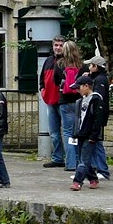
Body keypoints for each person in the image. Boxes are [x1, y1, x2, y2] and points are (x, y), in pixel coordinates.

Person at [71, 74, 105, 191]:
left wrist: (94, 135)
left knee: (83, 160)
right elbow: (78, 118)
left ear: (86, 86)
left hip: (90, 134)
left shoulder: (96, 99)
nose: (77, 90)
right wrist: (75, 133)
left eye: (79, 87)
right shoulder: (80, 101)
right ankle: (93, 178)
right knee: (84, 158)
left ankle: (77, 181)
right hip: (81, 133)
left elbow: (98, 119)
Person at [83, 54, 111, 180]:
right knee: (93, 143)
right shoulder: (97, 78)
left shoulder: (100, 80)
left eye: (90, 65)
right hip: (96, 115)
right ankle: (94, 169)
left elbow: (98, 98)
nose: (89, 67)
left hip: (97, 116)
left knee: (97, 142)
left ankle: (103, 170)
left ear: (96, 67)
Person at [40, 36, 67, 168]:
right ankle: (57, 158)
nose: (58, 47)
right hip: (50, 100)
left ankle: (71, 158)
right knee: (54, 133)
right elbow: (42, 78)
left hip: (64, 101)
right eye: (56, 45)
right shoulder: (48, 61)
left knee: (68, 131)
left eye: (60, 45)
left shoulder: (67, 62)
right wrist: (42, 90)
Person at [58, 40, 84, 172]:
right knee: (78, 132)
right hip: (79, 101)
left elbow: (55, 81)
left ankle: (71, 163)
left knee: (67, 132)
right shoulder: (81, 66)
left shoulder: (60, 64)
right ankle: (80, 161)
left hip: (65, 101)